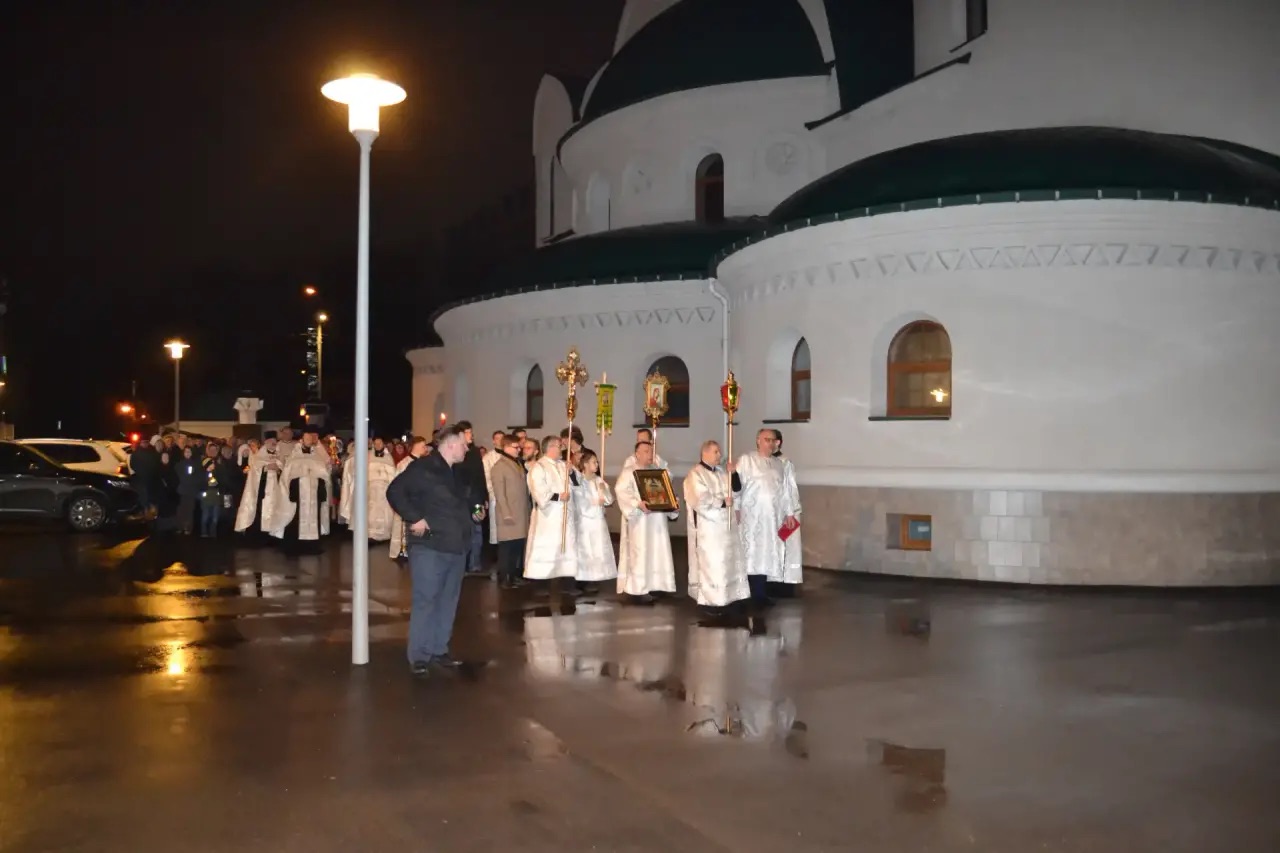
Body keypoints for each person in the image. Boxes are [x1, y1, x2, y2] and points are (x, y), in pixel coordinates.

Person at [386, 425, 485, 676]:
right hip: (430, 546)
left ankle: (439, 649)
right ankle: (419, 655)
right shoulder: (423, 467)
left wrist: (476, 511)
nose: (467, 448)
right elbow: (395, 491)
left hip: (457, 545)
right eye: (464, 444)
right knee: (426, 599)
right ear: (451, 445)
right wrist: (415, 517)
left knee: (448, 601)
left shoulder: (459, 471)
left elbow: (471, 499)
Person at [732, 429, 800, 606]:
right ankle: (748, 594)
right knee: (752, 553)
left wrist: (789, 513)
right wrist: (736, 508)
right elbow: (736, 487)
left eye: (773, 440)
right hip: (752, 517)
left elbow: (785, 491)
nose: (770, 443)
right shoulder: (747, 460)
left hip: (772, 518)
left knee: (766, 555)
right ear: (758, 441)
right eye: (766, 440)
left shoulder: (778, 464)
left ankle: (761, 593)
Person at [684, 440, 747, 613]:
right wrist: (720, 502)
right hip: (710, 527)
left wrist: (733, 474)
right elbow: (698, 498)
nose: (720, 455)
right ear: (705, 453)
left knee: (729, 562)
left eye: (719, 452)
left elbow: (736, 491)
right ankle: (710, 601)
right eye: (716, 452)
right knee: (713, 563)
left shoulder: (721, 472)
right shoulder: (695, 474)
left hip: (727, 527)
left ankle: (731, 596)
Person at [614, 440, 678, 603]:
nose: (650, 454)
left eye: (651, 451)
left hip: (657, 520)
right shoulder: (629, 472)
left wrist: (671, 503)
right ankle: (638, 588)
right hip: (641, 521)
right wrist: (637, 504)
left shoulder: (658, 472)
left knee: (658, 550)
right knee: (641, 552)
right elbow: (621, 491)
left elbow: (666, 491)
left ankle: (658, 585)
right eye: (646, 451)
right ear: (637, 454)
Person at [523, 435, 578, 587]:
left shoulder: (562, 465)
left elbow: (577, 484)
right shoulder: (539, 467)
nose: (562, 449)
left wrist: (572, 472)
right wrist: (559, 496)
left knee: (566, 547)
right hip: (548, 517)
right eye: (559, 446)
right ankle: (541, 582)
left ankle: (567, 581)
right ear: (551, 447)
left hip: (565, 516)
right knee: (548, 548)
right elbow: (538, 491)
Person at [272, 426, 332, 555]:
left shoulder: (317, 457)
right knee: (296, 517)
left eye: (310, 438)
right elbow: (287, 476)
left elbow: (325, 473)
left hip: (314, 494)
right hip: (298, 494)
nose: (309, 440)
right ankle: (295, 546)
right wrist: (292, 491)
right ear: (301, 440)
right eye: (306, 438)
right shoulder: (294, 458)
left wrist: (322, 492)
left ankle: (313, 546)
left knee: (314, 517)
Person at [572, 448, 617, 594]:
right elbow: (580, 502)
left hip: (598, 521)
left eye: (597, 462)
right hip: (586, 522)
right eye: (593, 462)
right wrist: (595, 502)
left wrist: (604, 491)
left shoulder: (599, 480)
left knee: (598, 549)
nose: (596, 465)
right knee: (586, 550)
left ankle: (597, 575)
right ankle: (583, 578)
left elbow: (609, 501)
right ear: (585, 464)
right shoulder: (580, 482)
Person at [490, 434, 531, 589]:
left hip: (520, 512)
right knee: (507, 548)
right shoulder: (499, 467)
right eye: (516, 447)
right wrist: (506, 513)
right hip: (508, 514)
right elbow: (500, 493)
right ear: (506, 447)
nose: (519, 450)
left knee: (517, 547)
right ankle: (504, 578)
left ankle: (514, 576)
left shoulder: (517, 464)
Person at [338, 435, 398, 542]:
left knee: (382, 512)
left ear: (383, 445)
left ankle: (382, 535)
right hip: (369, 489)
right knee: (368, 512)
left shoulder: (389, 458)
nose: (378, 445)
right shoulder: (367, 456)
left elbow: (393, 475)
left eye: (380, 443)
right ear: (373, 444)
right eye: (376, 443)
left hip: (383, 491)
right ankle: (368, 535)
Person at [235, 430, 286, 540]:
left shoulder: (279, 455)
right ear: (266, 442)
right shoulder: (259, 456)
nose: (273, 443)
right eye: (271, 441)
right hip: (262, 490)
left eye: (275, 441)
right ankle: (260, 534)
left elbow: (284, 469)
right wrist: (266, 468)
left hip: (276, 490)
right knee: (261, 510)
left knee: (275, 509)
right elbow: (255, 470)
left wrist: (278, 469)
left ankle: (273, 534)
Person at [454, 421, 488, 575]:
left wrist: (484, 497)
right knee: (463, 532)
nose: (471, 435)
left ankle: (475, 563)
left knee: (477, 530)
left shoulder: (474, 452)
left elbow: (481, 475)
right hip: (461, 500)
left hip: (476, 498)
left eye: (471, 432)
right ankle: (463, 565)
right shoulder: (455, 452)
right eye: (468, 432)